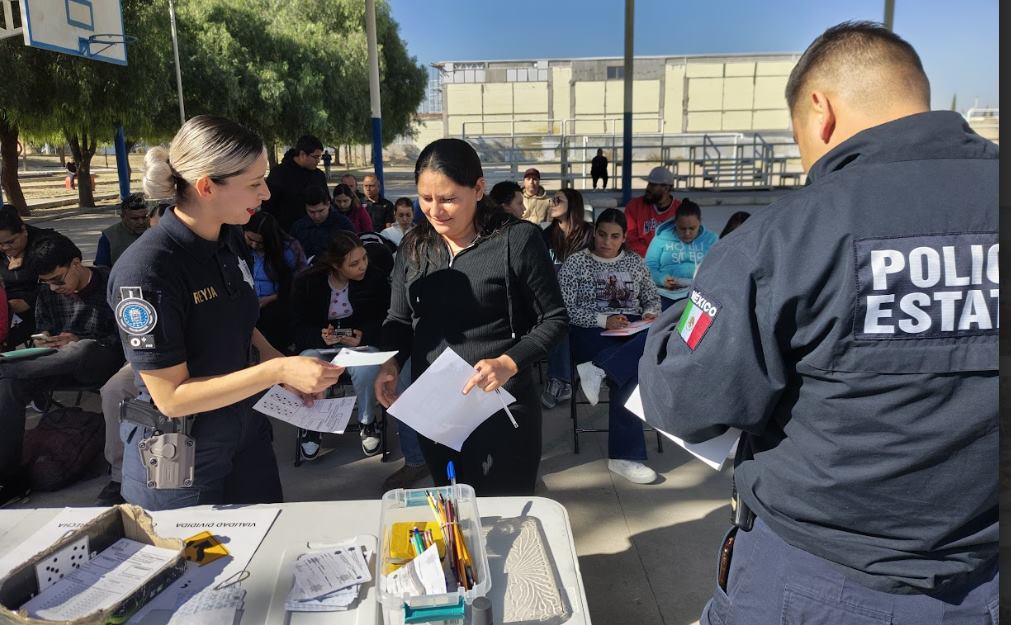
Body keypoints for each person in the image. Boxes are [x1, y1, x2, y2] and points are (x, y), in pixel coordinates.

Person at [638, 22, 998, 624]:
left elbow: (683, 400)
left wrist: (681, 313)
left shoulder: (788, 234)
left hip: (815, 581)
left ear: (820, 111)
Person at [109, 115, 343, 510]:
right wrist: (277, 371)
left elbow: (242, 325)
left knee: (265, 534)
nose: (266, 193)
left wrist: (286, 371)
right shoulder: (148, 271)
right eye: (254, 183)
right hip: (179, 446)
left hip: (244, 426)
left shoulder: (228, 237)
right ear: (206, 187)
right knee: (189, 548)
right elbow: (171, 398)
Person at [375, 138, 567, 495]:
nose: (435, 211)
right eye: (425, 198)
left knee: (503, 509)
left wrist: (509, 362)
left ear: (478, 189)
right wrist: (391, 363)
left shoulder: (517, 240)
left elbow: (554, 319)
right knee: (452, 505)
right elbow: (398, 320)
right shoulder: (414, 245)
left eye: (448, 199)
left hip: (500, 403)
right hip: (436, 406)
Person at [0, 233, 124, 505]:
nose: (55, 288)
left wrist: (76, 340)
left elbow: (125, 339)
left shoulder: (113, 283)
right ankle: (8, 478)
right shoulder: (49, 292)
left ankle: (8, 367)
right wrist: (44, 339)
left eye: (58, 280)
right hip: (56, 363)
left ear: (76, 263)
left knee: (82, 348)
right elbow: (43, 326)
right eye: (47, 283)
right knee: (9, 386)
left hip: (102, 359)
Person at [557, 209, 661, 483]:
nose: (607, 241)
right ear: (594, 233)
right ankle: (623, 456)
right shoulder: (576, 263)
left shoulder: (635, 262)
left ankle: (599, 369)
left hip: (631, 330)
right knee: (633, 371)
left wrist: (650, 313)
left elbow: (652, 297)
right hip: (591, 331)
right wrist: (604, 320)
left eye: (615, 236)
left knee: (655, 338)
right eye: (602, 234)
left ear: (624, 237)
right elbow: (565, 309)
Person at [291, 232, 390, 459]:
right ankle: (312, 423)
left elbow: (387, 317)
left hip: (360, 346)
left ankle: (367, 420)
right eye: (354, 263)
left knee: (366, 367)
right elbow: (296, 325)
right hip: (320, 346)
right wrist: (318, 336)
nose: (362, 266)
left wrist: (364, 335)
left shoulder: (375, 279)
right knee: (308, 363)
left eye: (364, 258)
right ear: (336, 265)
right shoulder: (308, 283)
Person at [540, 188, 593, 409]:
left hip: (585, 298)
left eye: (558, 200)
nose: (552, 202)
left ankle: (559, 380)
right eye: (552, 199)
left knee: (562, 319)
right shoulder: (546, 235)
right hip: (554, 299)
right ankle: (564, 379)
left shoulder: (590, 234)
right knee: (559, 318)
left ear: (572, 204)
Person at [243, 211, 306, 352]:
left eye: (260, 242)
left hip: (278, 301)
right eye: (250, 239)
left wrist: (271, 298)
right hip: (248, 299)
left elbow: (298, 282)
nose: (254, 245)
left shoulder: (288, 248)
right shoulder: (240, 247)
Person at [0, 208, 58, 350]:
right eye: (0, 244)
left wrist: (30, 300)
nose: (5, 248)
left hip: (43, 309)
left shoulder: (47, 245)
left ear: (24, 230)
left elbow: (61, 281)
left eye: (10, 242)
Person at [644, 198, 718, 290]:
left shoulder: (711, 239)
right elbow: (649, 266)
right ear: (675, 223)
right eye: (682, 228)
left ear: (700, 222)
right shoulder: (661, 237)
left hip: (701, 290)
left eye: (692, 228)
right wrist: (661, 279)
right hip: (666, 291)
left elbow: (719, 266)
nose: (687, 233)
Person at [262, 134, 327, 231]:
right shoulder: (279, 173)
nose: (318, 161)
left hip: (317, 231)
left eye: (320, 157)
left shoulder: (319, 175)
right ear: (302, 154)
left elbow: (326, 201)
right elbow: (268, 206)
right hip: (286, 231)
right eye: (315, 157)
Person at [623, 166, 681, 257]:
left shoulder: (681, 210)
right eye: (649, 184)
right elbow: (629, 237)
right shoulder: (634, 206)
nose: (648, 188)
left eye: (653, 185)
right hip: (639, 259)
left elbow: (686, 239)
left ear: (666, 188)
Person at [290, 184, 355, 261]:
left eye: (321, 211)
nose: (316, 216)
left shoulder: (343, 223)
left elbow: (354, 250)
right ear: (305, 208)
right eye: (311, 212)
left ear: (328, 204)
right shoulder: (298, 227)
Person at [95, 192, 150, 267]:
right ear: (123, 217)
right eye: (135, 218)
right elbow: (102, 268)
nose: (141, 222)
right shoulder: (110, 237)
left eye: (144, 217)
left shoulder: (155, 231)